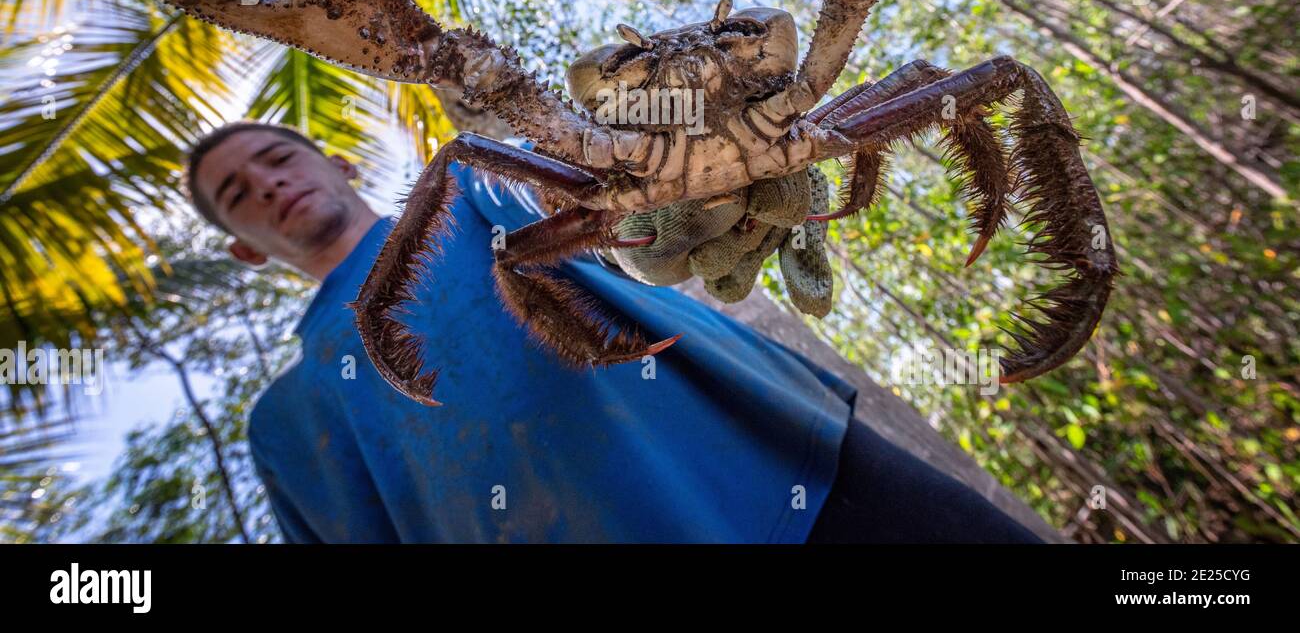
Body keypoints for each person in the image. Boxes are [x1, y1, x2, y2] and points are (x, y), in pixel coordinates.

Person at [187, 119, 1044, 543]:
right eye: (237, 193)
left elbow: (609, 204)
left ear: (334, 160)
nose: (266, 185)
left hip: (796, 472)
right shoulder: (285, 423)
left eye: (275, 156)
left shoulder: (477, 182)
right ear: (241, 248)